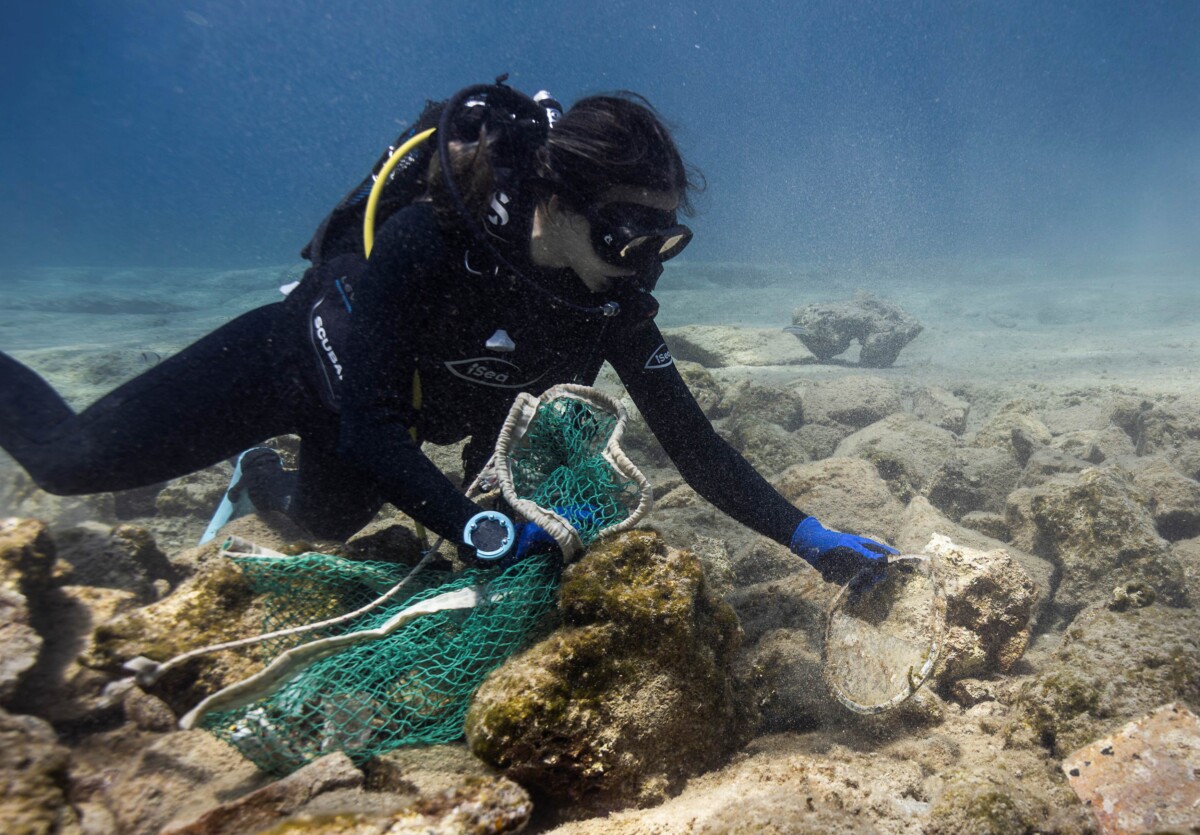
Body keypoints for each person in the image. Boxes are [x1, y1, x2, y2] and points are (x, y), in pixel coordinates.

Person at [0, 81, 896, 578]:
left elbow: (691, 441)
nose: (643, 264)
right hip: (299, 367)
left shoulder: (609, 297)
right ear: (558, 201)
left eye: (663, 241)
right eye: (626, 237)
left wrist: (806, 534)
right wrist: (474, 531)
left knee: (320, 520)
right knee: (68, 462)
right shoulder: (431, 239)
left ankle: (258, 477)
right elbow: (371, 427)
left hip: (400, 427)